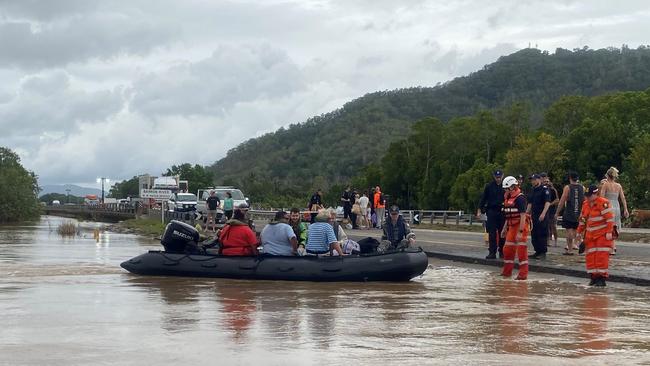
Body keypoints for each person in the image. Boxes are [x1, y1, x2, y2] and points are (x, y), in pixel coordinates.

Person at [576, 185, 615, 287]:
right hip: (590, 236)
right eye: (586, 196)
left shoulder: (603, 203)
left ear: (595, 194)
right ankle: (593, 277)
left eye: (589, 196)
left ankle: (601, 279)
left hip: (602, 235)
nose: (587, 198)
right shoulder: (585, 204)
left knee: (601, 257)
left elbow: (610, 219)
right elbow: (583, 220)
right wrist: (578, 232)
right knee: (590, 256)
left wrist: (609, 232)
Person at [500, 176, 531, 280]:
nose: (505, 190)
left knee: (521, 251)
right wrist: (505, 228)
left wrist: (520, 231)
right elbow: (508, 215)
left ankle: (523, 275)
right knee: (507, 250)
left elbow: (523, 215)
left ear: (513, 187)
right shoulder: (508, 197)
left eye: (506, 188)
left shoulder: (520, 198)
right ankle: (507, 272)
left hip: (521, 226)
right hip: (511, 226)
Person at [599, 166, 629, 255]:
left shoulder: (605, 184)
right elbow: (623, 198)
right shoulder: (618, 186)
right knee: (614, 227)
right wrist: (626, 209)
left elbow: (601, 197)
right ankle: (613, 246)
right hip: (616, 206)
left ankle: (610, 247)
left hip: (608, 206)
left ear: (607, 176)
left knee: (607, 227)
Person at [477, 170, 505, 259]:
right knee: (492, 233)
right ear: (494, 177)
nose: (498, 179)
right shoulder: (489, 186)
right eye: (497, 177)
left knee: (502, 233)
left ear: (502, 176)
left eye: (500, 177)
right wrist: (479, 210)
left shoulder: (505, 186)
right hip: (492, 211)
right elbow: (483, 198)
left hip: (502, 211)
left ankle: (502, 252)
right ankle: (492, 252)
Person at [555, 171, 584, 255]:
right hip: (578, 212)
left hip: (569, 212)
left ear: (570, 178)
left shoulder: (568, 187)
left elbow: (562, 200)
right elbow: (584, 200)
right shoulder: (582, 187)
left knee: (569, 231)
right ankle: (578, 243)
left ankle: (570, 249)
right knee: (575, 230)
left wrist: (557, 212)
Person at [527, 173, 551, 259]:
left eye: (534, 180)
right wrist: (526, 213)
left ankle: (542, 252)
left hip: (542, 215)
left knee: (541, 234)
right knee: (534, 234)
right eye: (532, 180)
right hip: (534, 215)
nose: (533, 182)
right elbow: (530, 203)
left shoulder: (544, 189)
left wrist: (543, 213)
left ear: (539, 179)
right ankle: (537, 251)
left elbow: (547, 202)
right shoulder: (532, 190)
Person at [541, 173, 560, 247]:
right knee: (546, 226)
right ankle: (547, 241)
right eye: (545, 181)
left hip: (552, 210)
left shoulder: (552, 190)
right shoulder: (542, 189)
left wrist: (550, 204)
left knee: (553, 226)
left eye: (547, 181)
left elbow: (557, 200)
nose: (546, 183)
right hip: (544, 210)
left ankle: (555, 241)